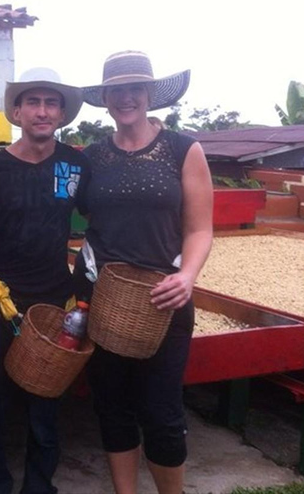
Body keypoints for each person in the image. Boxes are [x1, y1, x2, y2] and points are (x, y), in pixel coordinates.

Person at [75, 50, 213, 494]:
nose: (127, 98)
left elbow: (199, 228)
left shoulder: (183, 149)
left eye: (136, 88)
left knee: (162, 413)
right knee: (112, 407)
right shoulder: (92, 157)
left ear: (151, 94)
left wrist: (187, 276)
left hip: (164, 299)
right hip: (104, 298)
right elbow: (84, 215)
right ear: (106, 98)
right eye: (117, 90)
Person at [0, 68, 90, 494]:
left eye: (51, 103)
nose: (42, 111)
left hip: (55, 299)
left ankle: (40, 486)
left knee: (46, 405)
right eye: (33, 103)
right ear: (17, 112)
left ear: (62, 113)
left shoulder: (77, 164)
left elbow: (104, 217)